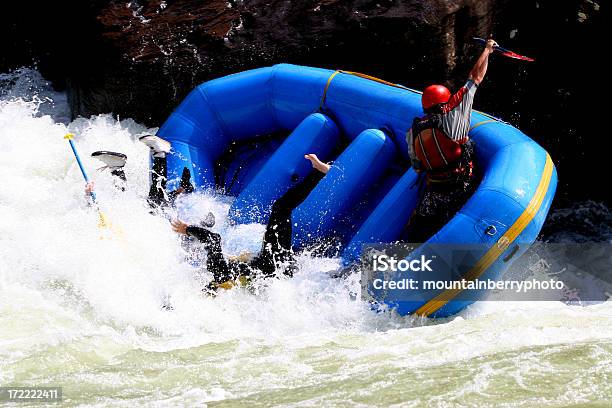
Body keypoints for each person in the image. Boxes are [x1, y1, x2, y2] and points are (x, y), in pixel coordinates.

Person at [171, 153, 332, 291]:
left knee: (283, 217)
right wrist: (187, 229)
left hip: (279, 275)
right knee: (281, 208)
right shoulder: (219, 273)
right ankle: (318, 172)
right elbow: (213, 239)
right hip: (275, 264)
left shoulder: (228, 288)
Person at [404, 38, 498, 242]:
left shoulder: (413, 131)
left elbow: (417, 166)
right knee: (468, 143)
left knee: (419, 230)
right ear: (444, 102)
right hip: (459, 185)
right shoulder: (452, 115)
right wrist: (487, 50)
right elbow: (475, 77)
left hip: (433, 190)